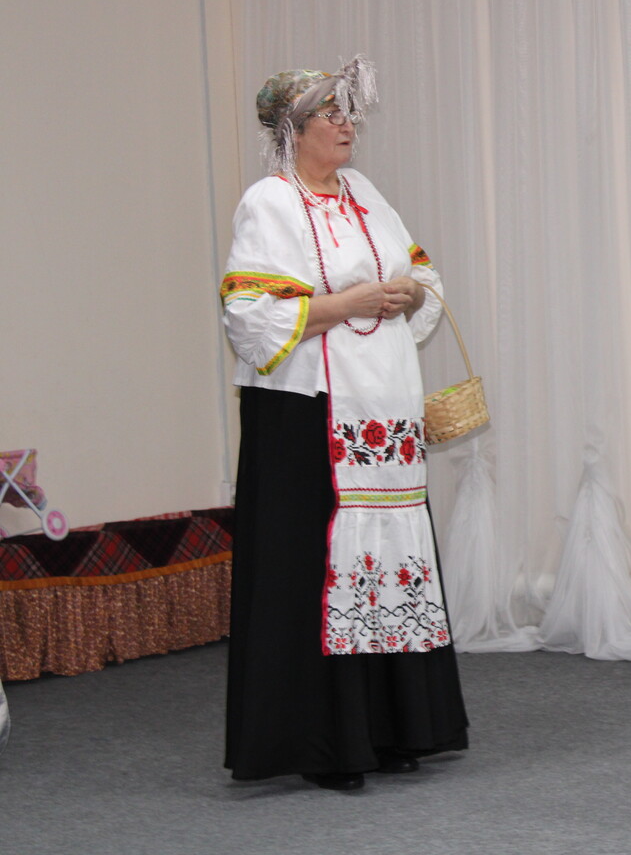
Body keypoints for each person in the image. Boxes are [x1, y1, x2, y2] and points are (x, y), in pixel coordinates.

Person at [221, 57, 468, 790]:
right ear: (293, 131)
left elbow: (422, 275)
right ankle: (326, 742)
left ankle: (394, 729)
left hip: (382, 405)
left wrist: (407, 296)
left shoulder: (364, 192)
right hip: (309, 413)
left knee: (388, 555)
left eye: (347, 111)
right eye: (330, 114)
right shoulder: (269, 203)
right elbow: (247, 315)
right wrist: (347, 304)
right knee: (319, 565)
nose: (346, 123)